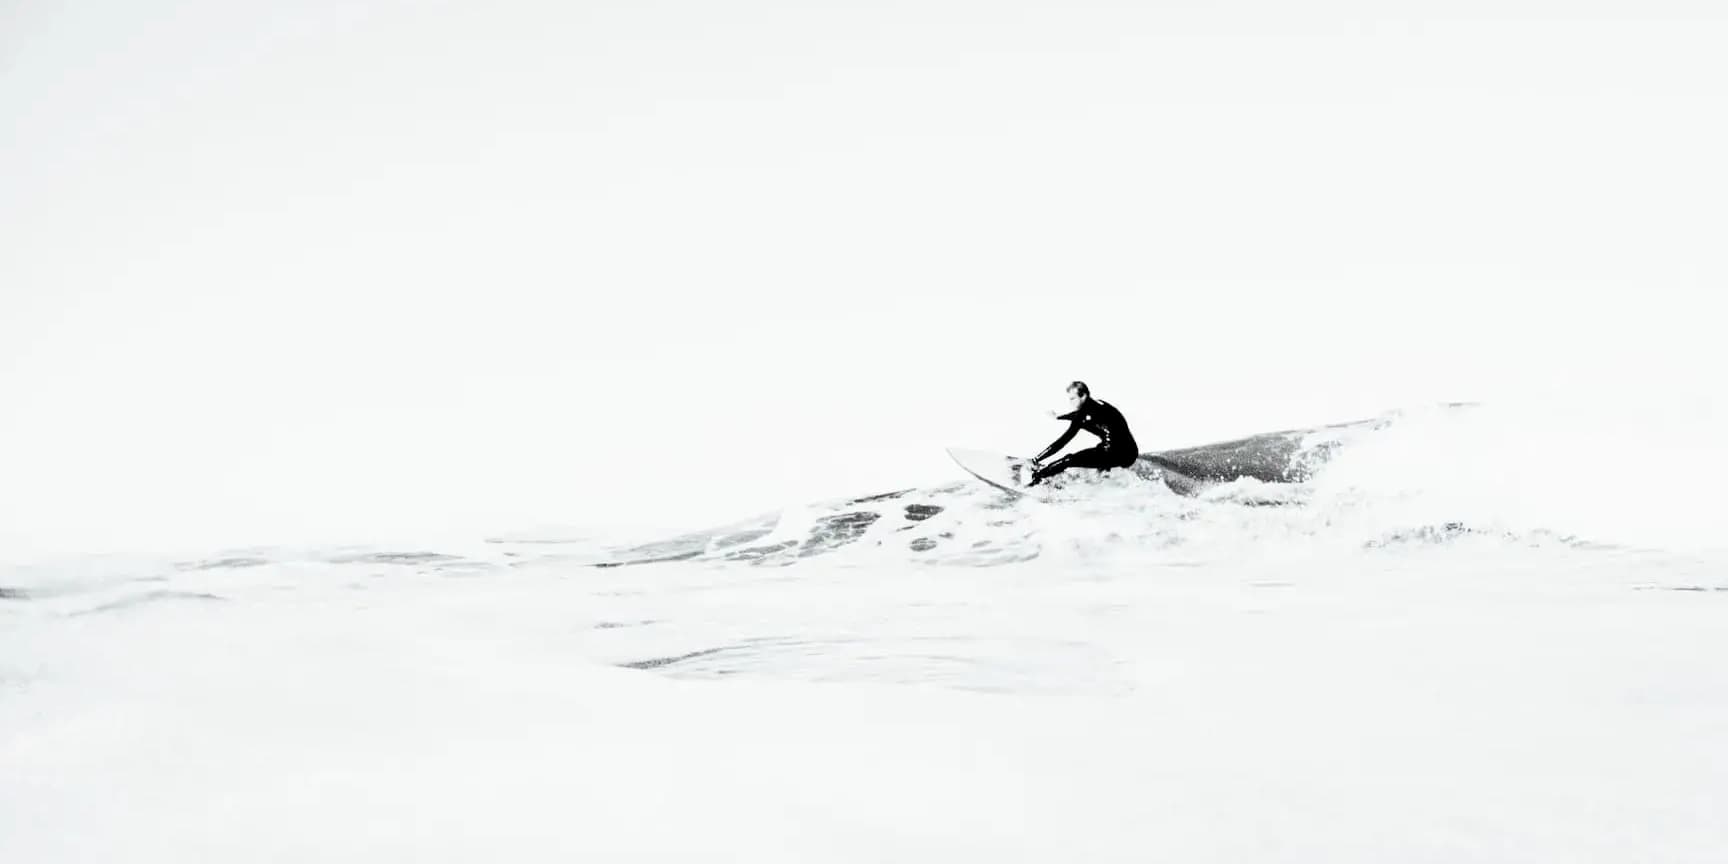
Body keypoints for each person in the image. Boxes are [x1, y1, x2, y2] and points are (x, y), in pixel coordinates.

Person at [1027, 381, 1139, 486]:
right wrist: (1059, 417)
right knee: (1101, 455)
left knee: (1068, 460)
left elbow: (1063, 440)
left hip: (1112, 452)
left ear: (1083, 395)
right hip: (1131, 452)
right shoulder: (1101, 404)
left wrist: (1036, 459)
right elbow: (1081, 417)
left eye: (1072, 399)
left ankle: (1036, 478)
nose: (1070, 402)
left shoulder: (1082, 416)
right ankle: (1106, 481)